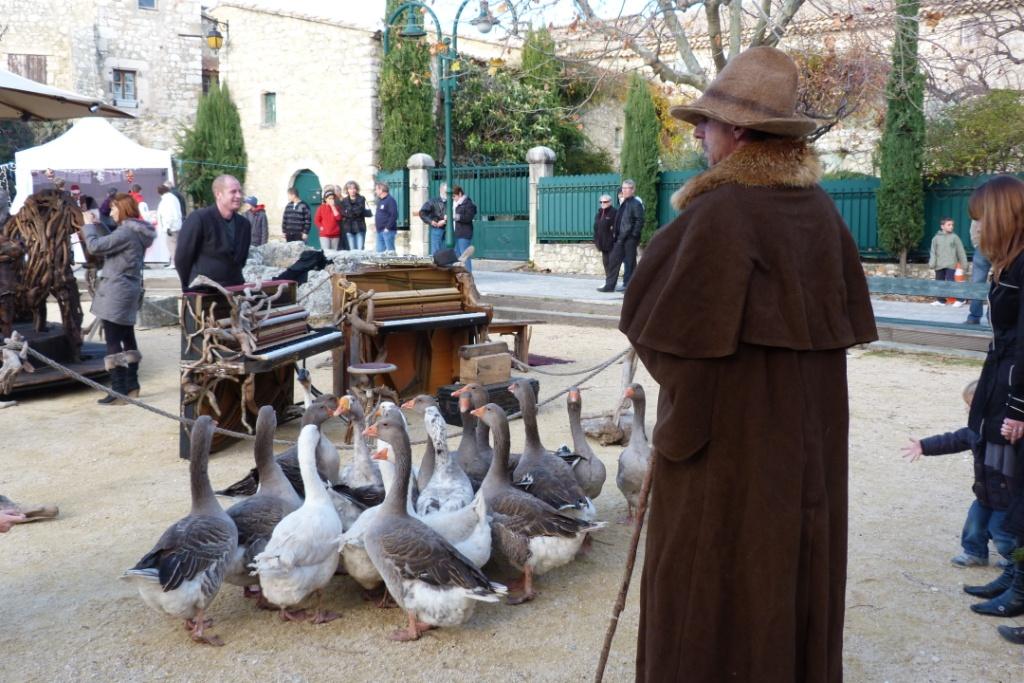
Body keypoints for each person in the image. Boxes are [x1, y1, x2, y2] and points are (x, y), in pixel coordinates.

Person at [618, 47, 877, 682]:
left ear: (737, 133)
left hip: (727, 445)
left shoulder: (721, 212)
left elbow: (659, 332)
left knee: (709, 574)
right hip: (807, 443)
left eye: (705, 123)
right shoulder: (821, 211)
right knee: (787, 568)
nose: (698, 134)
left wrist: (686, 413)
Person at [961, 176, 1024, 644]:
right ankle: (1015, 577)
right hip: (1002, 384)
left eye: (979, 220)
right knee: (1013, 491)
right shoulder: (1010, 266)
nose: (974, 229)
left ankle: (1020, 585)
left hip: (1017, 395)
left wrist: (1018, 407)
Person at [902, 380, 1017, 568]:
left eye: (974, 407)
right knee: (974, 525)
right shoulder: (974, 432)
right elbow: (952, 440)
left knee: (1002, 532)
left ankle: (1014, 561)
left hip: (1008, 500)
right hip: (984, 495)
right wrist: (924, 445)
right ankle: (975, 553)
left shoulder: (1013, 434)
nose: (969, 411)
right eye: (969, 406)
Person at [83, 194, 156, 404]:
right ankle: (132, 386)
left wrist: (88, 226)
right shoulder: (134, 231)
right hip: (127, 289)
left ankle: (119, 392)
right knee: (127, 336)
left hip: (117, 290)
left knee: (113, 339)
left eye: (114, 208)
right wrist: (98, 226)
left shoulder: (125, 232)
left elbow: (95, 247)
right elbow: (110, 242)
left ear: (122, 209)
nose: (111, 212)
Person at [174, 174, 251, 290]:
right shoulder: (199, 219)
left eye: (240, 191)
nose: (239, 196)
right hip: (204, 291)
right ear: (218, 194)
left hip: (235, 289)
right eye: (233, 192)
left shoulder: (244, 224)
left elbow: (241, 260)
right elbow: (182, 257)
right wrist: (187, 287)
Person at [598, 179, 643, 293]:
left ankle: (629, 286)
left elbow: (639, 221)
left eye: (626, 188)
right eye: (622, 188)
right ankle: (609, 286)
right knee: (613, 261)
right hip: (620, 238)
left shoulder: (636, 203)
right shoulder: (624, 203)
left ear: (632, 190)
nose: (623, 190)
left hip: (629, 239)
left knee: (630, 263)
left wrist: (633, 235)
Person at [928, 217, 968, 306]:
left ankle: (960, 299)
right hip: (939, 265)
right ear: (942, 226)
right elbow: (933, 252)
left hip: (951, 264)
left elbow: (961, 252)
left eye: (952, 225)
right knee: (939, 282)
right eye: (949, 225)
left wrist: (964, 264)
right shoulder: (936, 238)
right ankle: (941, 300)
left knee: (951, 282)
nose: (951, 227)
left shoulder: (955, 237)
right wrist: (932, 263)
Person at [967, 219, 991, 324]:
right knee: (998, 284)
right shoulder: (1004, 205)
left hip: (985, 247)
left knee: (977, 284)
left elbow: (974, 225)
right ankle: (991, 318)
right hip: (996, 247)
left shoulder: (981, 205)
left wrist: (976, 243)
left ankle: (974, 317)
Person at [157, 183, 183, 267]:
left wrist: (167, 226)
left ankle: (174, 263)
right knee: (175, 244)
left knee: (171, 245)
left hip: (171, 226)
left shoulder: (166, 200)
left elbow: (168, 214)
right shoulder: (173, 198)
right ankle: (176, 262)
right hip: (176, 224)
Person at [452, 185, 476, 272]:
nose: (453, 198)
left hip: (464, 233)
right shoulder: (456, 204)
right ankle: (460, 275)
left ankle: (468, 275)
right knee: (458, 255)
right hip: (456, 232)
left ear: (460, 194)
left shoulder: (468, 203)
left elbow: (469, 217)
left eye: (454, 196)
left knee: (465, 256)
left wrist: (456, 217)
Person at [592, 194, 617, 280]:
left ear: (610, 202)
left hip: (611, 243)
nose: (602, 203)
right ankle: (608, 281)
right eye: (601, 202)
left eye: (605, 202)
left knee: (612, 263)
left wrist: (613, 238)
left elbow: (615, 228)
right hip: (602, 243)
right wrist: (596, 240)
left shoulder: (614, 212)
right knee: (605, 263)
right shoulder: (599, 213)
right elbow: (596, 228)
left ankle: (611, 282)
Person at [339, 180, 368, 251]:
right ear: (347, 190)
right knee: (352, 251)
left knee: (360, 250)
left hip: (359, 227)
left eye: (354, 188)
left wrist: (348, 212)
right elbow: (343, 212)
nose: (352, 190)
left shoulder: (361, 199)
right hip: (348, 228)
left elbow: (359, 211)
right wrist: (350, 212)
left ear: (357, 189)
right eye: (350, 188)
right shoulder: (344, 200)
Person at [419, 183, 447, 255]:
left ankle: (447, 265)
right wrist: (431, 222)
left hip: (450, 229)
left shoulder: (452, 201)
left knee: (448, 252)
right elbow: (422, 213)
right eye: (445, 191)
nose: (447, 193)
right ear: (440, 190)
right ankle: (437, 265)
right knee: (436, 252)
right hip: (437, 228)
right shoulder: (433, 201)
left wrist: (445, 221)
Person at [374, 181, 398, 253]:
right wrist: (376, 226)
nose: (376, 191)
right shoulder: (380, 201)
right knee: (380, 253)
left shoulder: (390, 200)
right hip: (379, 231)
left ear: (381, 190)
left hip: (388, 231)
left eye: (376, 189)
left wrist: (387, 227)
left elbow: (394, 215)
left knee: (390, 253)